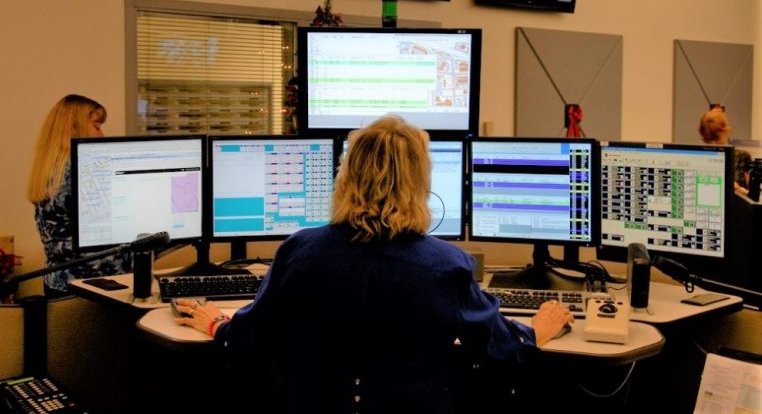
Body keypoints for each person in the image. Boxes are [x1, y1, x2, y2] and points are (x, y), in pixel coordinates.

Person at [173, 115, 573, 413]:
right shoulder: (446, 266)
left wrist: (214, 322)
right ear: (419, 183)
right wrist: (536, 329)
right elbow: (502, 349)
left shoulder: (299, 251)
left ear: (346, 176)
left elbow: (244, 340)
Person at [27, 94, 126, 297]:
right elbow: (114, 232)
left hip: (59, 284)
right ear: (74, 128)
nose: (102, 134)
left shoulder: (50, 168)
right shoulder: (83, 170)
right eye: (97, 126)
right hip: (95, 288)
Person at [698, 107, 751, 193]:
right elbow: (753, 196)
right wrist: (741, 191)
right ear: (726, 130)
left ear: (701, 131)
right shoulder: (742, 157)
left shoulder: (695, 156)